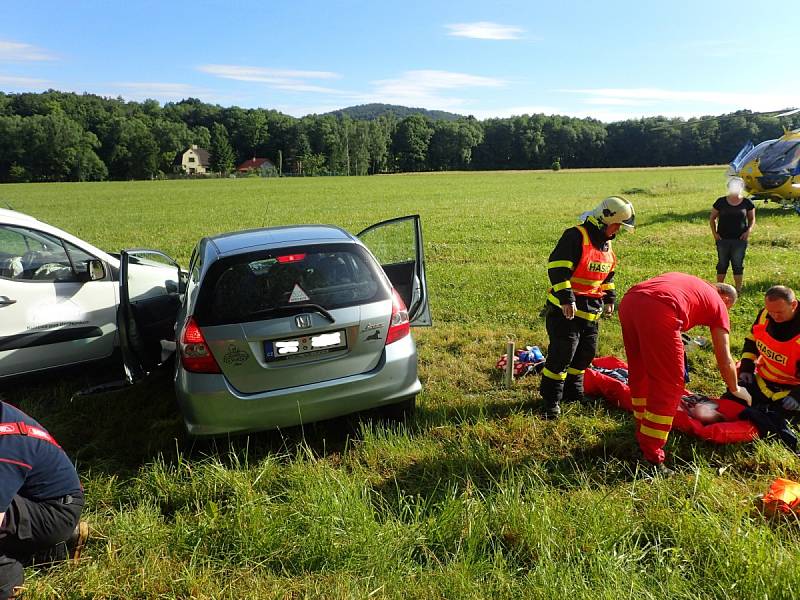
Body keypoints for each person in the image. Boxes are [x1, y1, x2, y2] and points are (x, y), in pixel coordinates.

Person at [618, 273, 752, 470]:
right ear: (725, 299)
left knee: (640, 372)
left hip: (630, 300)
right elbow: (725, 359)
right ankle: (652, 458)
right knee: (669, 384)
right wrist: (735, 388)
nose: (726, 312)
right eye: (728, 308)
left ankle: (642, 430)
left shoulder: (695, 284)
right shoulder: (718, 303)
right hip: (660, 309)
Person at [539, 196, 635, 419]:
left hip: (591, 312)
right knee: (562, 355)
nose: (618, 231)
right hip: (565, 312)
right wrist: (566, 298)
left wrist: (610, 298)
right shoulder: (575, 236)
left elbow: (607, 274)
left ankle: (574, 393)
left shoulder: (606, 243)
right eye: (617, 226)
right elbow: (557, 268)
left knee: (585, 354)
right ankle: (551, 401)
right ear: (605, 220)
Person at [0, 401, 87, 600]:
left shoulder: (7, 440)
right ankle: (49, 552)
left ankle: (6, 582)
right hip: (36, 501)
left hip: (55, 511)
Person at [736, 286, 800, 448]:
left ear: (793, 305)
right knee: (733, 397)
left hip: (792, 389)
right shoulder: (766, 314)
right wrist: (746, 369)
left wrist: (796, 396)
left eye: (779, 313)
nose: (774, 316)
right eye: (770, 312)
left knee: (780, 418)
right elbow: (751, 341)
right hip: (763, 380)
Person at [709, 177, 755, 293]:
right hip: (723, 239)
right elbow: (712, 218)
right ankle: (719, 289)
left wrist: (748, 231)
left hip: (739, 240)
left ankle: (738, 289)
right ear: (729, 187)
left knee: (737, 264)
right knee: (722, 264)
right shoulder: (720, 202)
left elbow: (752, 219)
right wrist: (715, 234)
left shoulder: (747, 202)